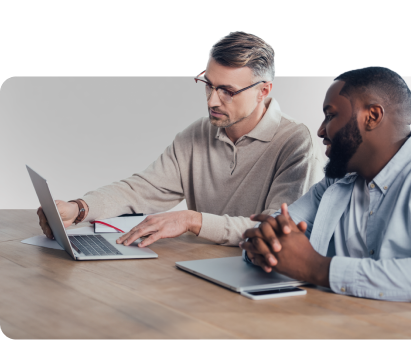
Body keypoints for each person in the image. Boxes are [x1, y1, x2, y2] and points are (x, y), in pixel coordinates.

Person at [37, 31, 324, 248]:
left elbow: (277, 229)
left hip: (259, 276)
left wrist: (192, 220)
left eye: (227, 90)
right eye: (208, 84)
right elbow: (141, 190)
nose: (212, 100)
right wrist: (79, 208)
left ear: (264, 90)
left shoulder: (295, 142)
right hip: (200, 267)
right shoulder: (198, 133)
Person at [240, 65, 411, 305]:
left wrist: (317, 269)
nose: (321, 130)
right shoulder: (334, 184)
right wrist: (264, 245)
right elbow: (281, 234)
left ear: (372, 116)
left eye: (330, 116)